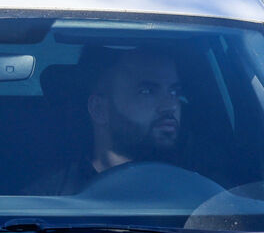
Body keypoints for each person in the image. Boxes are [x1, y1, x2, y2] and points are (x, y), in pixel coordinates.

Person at [29, 47, 185, 195]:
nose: (170, 105)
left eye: (174, 91)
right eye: (147, 91)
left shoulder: (199, 194)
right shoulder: (49, 200)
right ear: (99, 109)